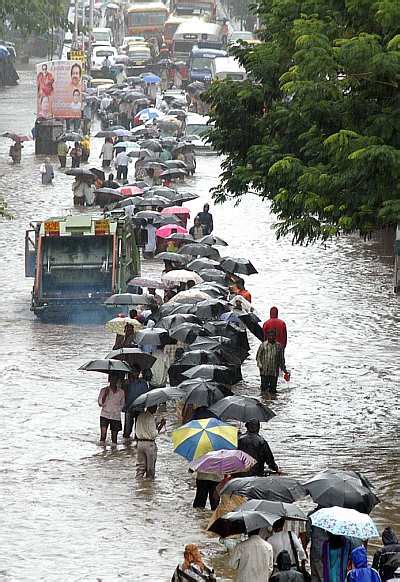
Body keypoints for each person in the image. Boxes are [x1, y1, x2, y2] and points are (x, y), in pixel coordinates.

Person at [135, 405, 165, 479]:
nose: (156, 409)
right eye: (155, 407)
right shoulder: (150, 417)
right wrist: (161, 425)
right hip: (149, 445)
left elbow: (145, 429)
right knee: (150, 469)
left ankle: (139, 485)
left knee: (140, 468)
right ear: (152, 408)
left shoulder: (140, 416)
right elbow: (153, 434)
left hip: (140, 444)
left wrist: (156, 424)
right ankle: (149, 487)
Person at [123, 366, 150, 442]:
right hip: (129, 408)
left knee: (138, 431)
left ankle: (135, 447)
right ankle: (127, 448)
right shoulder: (127, 382)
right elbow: (123, 394)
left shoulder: (143, 383)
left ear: (139, 373)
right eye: (133, 372)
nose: (134, 373)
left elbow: (146, 395)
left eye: (136, 372)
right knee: (127, 430)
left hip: (139, 408)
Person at [256, 328, 288, 393]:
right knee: (264, 389)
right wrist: (260, 366)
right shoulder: (263, 345)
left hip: (274, 372)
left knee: (273, 390)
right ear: (267, 336)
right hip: (264, 371)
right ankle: (264, 401)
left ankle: (272, 401)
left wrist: (284, 370)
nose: (271, 337)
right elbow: (258, 357)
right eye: (270, 336)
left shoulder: (278, 346)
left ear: (275, 337)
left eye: (273, 336)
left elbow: (281, 359)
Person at [97, 375, 125, 446]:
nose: (113, 381)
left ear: (117, 381)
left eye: (115, 379)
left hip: (115, 416)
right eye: (112, 379)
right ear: (109, 380)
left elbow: (122, 404)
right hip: (104, 415)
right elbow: (100, 403)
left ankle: (113, 454)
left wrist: (117, 410)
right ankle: (103, 453)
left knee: (114, 438)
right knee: (103, 436)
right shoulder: (103, 390)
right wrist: (105, 395)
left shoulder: (121, 392)